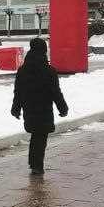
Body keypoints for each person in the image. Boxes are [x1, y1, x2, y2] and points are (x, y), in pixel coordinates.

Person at [10, 38, 69, 176]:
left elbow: (18, 91)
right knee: (40, 137)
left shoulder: (23, 70)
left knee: (36, 135)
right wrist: (63, 108)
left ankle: (34, 163)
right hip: (44, 110)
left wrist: (16, 108)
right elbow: (55, 92)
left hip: (29, 108)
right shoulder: (49, 71)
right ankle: (36, 165)